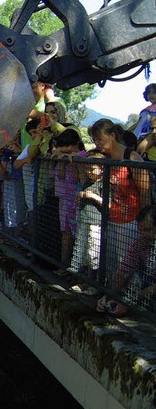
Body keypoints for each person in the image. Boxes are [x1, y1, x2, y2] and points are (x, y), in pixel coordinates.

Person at [89, 119, 149, 282]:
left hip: (131, 222)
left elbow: (145, 192)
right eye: (95, 140)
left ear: (112, 136)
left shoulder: (132, 158)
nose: (97, 143)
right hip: (113, 218)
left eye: (100, 139)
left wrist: (142, 223)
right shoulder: (106, 157)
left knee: (126, 267)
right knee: (111, 265)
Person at [97, 205, 156, 317]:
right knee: (132, 278)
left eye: (148, 230)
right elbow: (124, 270)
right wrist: (107, 296)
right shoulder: (140, 242)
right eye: (141, 230)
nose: (143, 234)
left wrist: (130, 303)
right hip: (149, 283)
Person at [69, 149, 106, 296]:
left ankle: (95, 284)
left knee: (94, 253)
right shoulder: (88, 183)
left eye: (92, 169)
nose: (89, 172)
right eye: (87, 169)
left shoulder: (104, 183)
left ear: (102, 169)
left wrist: (92, 196)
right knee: (84, 252)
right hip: (84, 221)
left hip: (96, 223)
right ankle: (85, 281)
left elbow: (107, 203)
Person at [50, 129, 86, 273]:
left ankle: (78, 271)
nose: (65, 149)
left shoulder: (83, 156)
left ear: (77, 143)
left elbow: (82, 179)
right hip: (64, 200)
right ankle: (64, 266)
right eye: (62, 146)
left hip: (77, 201)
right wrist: (58, 161)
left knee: (79, 235)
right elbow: (54, 175)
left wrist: (75, 163)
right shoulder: (62, 157)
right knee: (66, 233)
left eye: (68, 145)